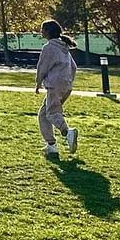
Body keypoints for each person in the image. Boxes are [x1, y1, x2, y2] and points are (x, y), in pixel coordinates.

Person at [35, 19, 78, 157]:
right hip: (66, 85)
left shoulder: (49, 48)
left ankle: (67, 132)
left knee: (52, 113)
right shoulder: (64, 47)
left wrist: (38, 83)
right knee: (43, 114)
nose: (41, 32)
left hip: (54, 85)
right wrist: (68, 81)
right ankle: (51, 145)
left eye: (42, 29)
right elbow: (74, 67)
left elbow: (42, 67)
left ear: (47, 32)